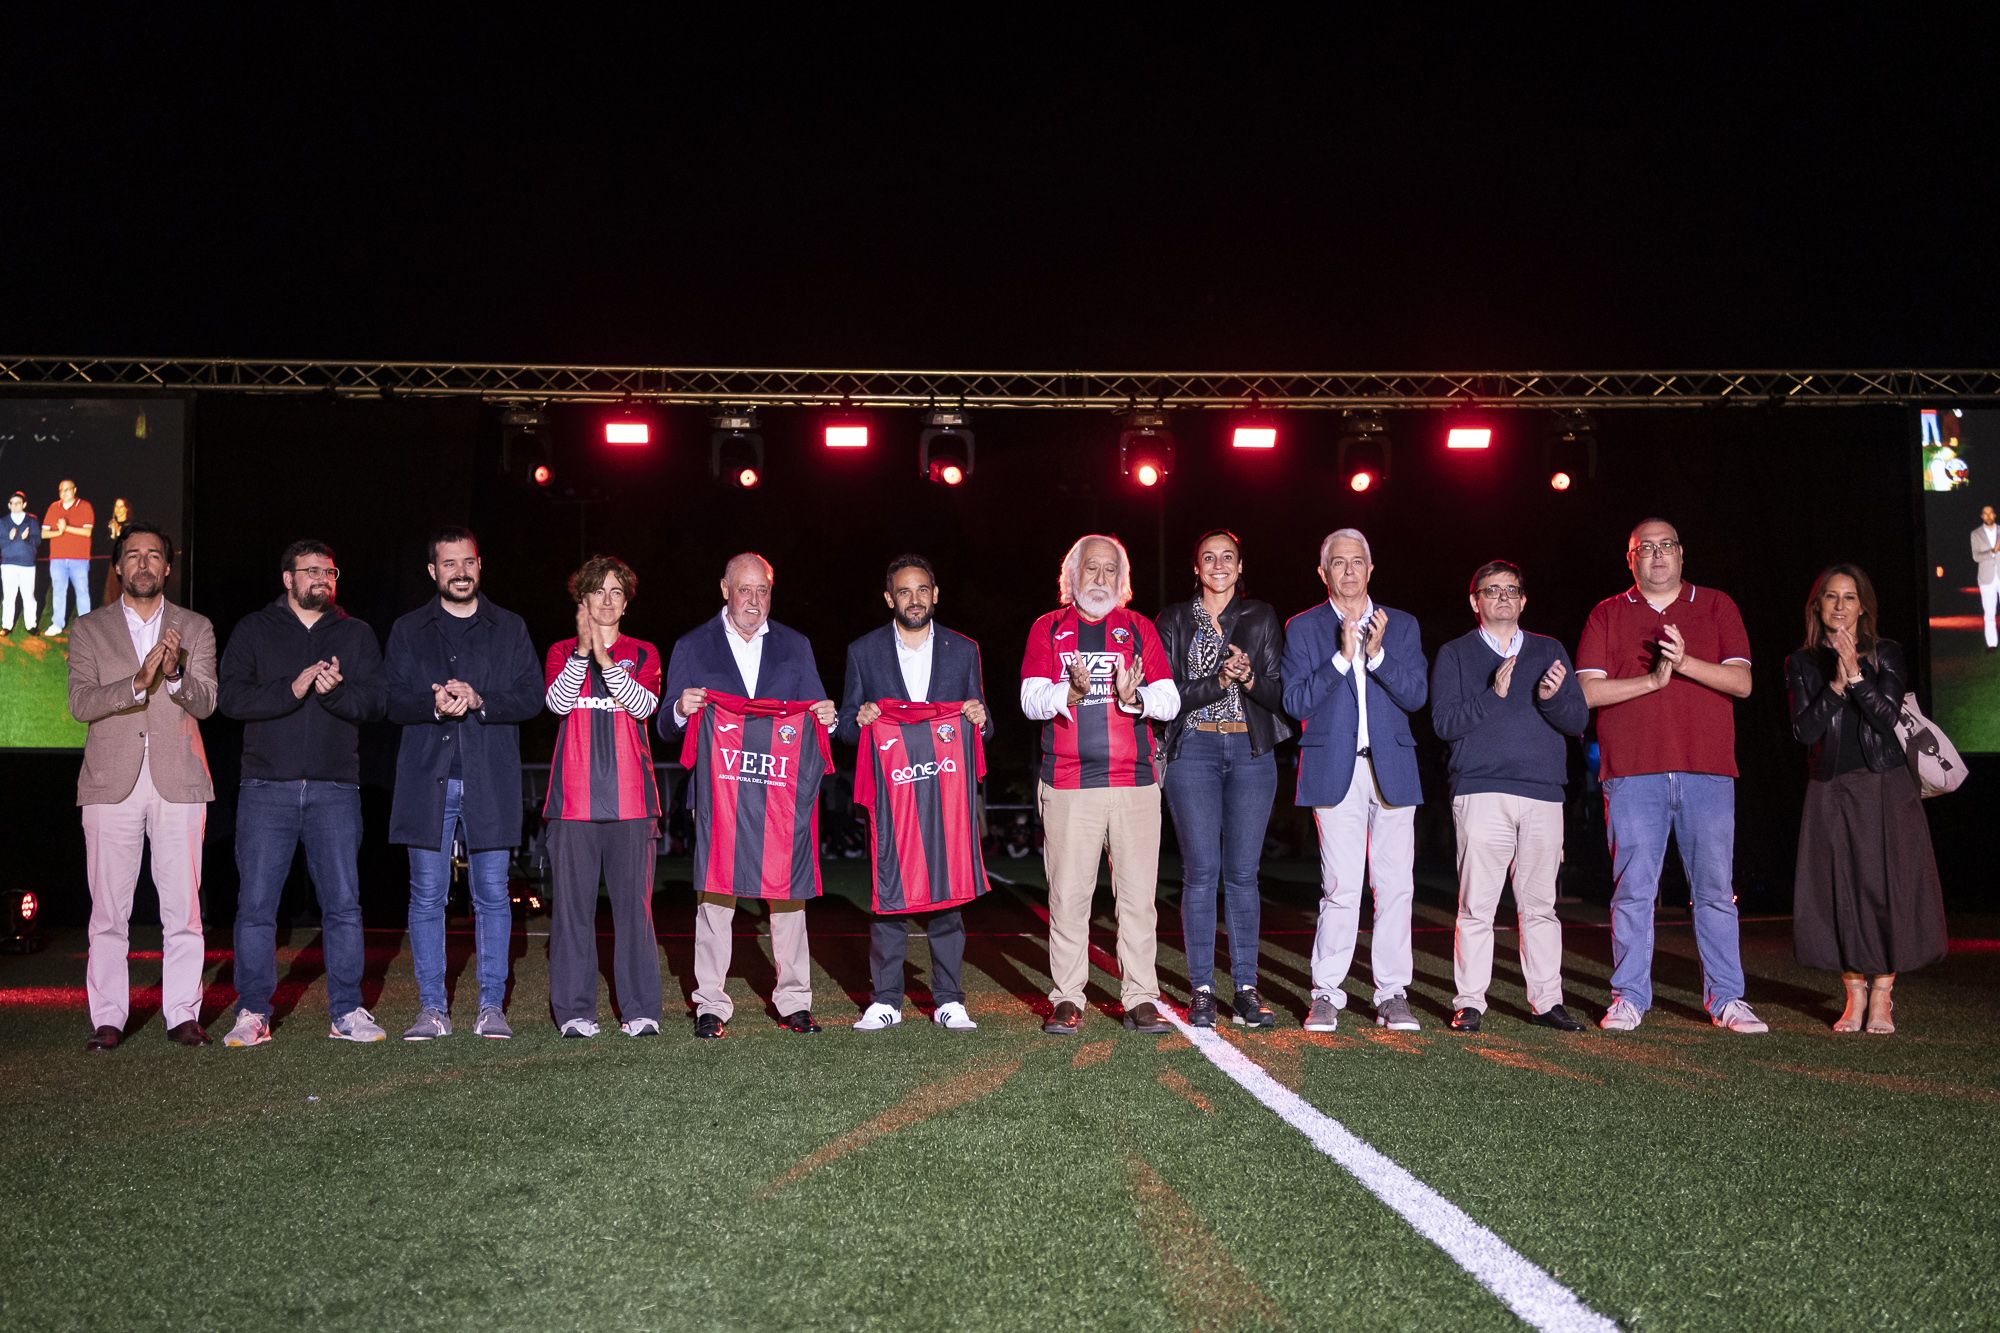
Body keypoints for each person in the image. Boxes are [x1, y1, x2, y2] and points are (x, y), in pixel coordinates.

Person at [1576, 518, 1767, 1033]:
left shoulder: (1717, 604)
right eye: (1646, 549)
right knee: (1634, 890)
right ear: (1631, 559)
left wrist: (1683, 664)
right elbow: (1589, 693)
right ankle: (1629, 997)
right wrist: (1653, 679)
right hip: (1634, 772)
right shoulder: (1608, 613)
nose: (1657, 556)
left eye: (1666, 547)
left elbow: (1743, 683)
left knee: (1713, 889)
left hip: (1707, 769)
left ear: (1682, 554)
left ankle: (1727, 998)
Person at [658, 552, 837, 1039]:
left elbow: (818, 712)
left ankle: (795, 1000)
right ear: (724, 589)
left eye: (763, 591)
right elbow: (665, 727)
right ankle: (711, 1003)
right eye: (745, 590)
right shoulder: (693, 646)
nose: (754, 601)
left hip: (779, 795)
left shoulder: (796, 645)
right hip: (722, 795)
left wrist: (827, 717)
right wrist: (679, 708)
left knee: (788, 895)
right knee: (716, 894)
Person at [217, 540, 388, 1047]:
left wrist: (335, 694)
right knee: (256, 905)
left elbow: (377, 703)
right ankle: (252, 1011)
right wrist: (289, 692)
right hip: (266, 787)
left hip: (335, 788)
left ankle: (347, 1011)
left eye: (328, 571)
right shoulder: (254, 629)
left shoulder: (355, 634)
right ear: (287, 578)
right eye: (309, 570)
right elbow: (229, 698)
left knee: (343, 905)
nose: (320, 578)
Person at [384, 526, 543, 1041]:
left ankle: (490, 1008)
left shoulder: (510, 627)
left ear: (480, 566)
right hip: (427, 779)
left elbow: (531, 697)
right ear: (433, 572)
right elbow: (389, 700)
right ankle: (433, 1009)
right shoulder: (409, 629)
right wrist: (432, 704)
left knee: (493, 895)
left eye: (467, 562)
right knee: (427, 895)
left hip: (488, 778)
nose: (460, 572)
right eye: (449, 564)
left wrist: (480, 701)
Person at [1020, 534, 1179, 1035]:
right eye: (1092, 569)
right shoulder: (1048, 628)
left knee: (1137, 898)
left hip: (1135, 783)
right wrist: (1068, 689)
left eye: (1111, 570)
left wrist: (1138, 698)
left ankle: (1140, 998)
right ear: (1072, 576)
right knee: (1069, 896)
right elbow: (1029, 699)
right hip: (1069, 784)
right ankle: (1068, 998)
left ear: (1123, 580)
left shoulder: (1139, 628)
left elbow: (1171, 701)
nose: (1101, 579)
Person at [66, 523, 217, 1050]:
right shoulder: (90, 629)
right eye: (134, 556)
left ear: (168, 567)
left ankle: (182, 1014)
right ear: (118, 566)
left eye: (155, 556)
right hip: (112, 782)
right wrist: (136, 683)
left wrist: (173, 676)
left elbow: (206, 703)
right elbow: (81, 703)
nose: (145, 565)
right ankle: (108, 1018)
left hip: (179, 780)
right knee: (109, 911)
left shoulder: (195, 627)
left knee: (184, 909)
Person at [1429, 560, 1588, 1033]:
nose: (1502, 597)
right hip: (1480, 792)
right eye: (1491, 590)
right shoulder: (1456, 654)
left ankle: (1547, 1002)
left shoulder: (1550, 648)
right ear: (1474, 601)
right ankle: (1470, 1002)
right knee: (1477, 905)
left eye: (1511, 590)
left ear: (1523, 600)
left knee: (1539, 905)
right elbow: (1443, 724)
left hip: (1542, 795)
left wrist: (1552, 697)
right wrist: (1492, 695)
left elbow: (1577, 721)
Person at [1786, 565, 1946, 1034]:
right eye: (1831, 597)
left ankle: (1882, 997)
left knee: (1886, 888)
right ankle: (1853, 996)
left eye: (1849, 597)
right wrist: (1835, 685)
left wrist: (1856, 673)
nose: (1840, 606)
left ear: (1863, 607)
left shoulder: (1888, 653)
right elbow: (1804, 730)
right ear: (1818, 606)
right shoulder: (1801, 663)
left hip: (1884, 784)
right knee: (1842, 890)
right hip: (1831, 786)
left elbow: (1885, 719)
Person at [837, 553, 992, 1033]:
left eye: (922, 589)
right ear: (889, 598)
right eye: (904, 591)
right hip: (894, 793)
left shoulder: (965, 649)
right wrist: (859, 721)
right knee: (889, 890)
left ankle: (948, 997)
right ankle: (886, 998)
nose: (915, 599)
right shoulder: (863, 651)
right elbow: (843, 727)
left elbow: (984, 726)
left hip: (945, 790)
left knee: (948, 891)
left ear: (936, 594)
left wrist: (980, 720)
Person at [1281, 528, 1428, 1033]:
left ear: (1371, 568)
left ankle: (1392, 994)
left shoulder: (1402, 626)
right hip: (1333, 770)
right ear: (1323, 573)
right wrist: (1344, 656)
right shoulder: (1302, 628)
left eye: (1357, 561)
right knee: (1341, 887)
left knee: (1395, 887)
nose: (1349, 570)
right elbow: (1296, 702)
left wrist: (1378, 653)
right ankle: (1326, 993)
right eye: (1338, 563)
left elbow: (1415, 696)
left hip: (1392, 769)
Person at [1153, 529, 1289, 1029]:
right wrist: (1219, 681)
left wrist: (1249, 678)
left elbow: (1280, 696)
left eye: (1227, 556)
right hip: (1194, 751)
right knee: (1201, 872)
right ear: (1195, 567)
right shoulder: (1171, 618)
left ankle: (1248, 989)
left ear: (1240, 565)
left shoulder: (1261, 616)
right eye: (1208, 556)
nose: (1217, 564)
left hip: (1251, 752)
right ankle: (1203, 990)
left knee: (1244, 875)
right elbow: (1163, 696)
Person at [542, 554, 666, 1039]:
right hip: (572, 804)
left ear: (626, 603)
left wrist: (604, 658)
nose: (608, 600)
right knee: (572, 911)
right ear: (582, 600)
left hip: (633, 803)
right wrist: (581, 653)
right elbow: (556, 702)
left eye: (617, 592)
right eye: (599, 591)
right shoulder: (559, 651)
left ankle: (640, 1010)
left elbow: (643, 705)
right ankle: (574, 1012)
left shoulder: (644, 652)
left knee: (634, 910)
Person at [41, 478, 93, 634]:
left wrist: (66, 528)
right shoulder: (53, 507)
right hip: (57, 558)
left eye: (67, 489)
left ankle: (86, 626)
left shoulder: (85, 506)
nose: (63, 493)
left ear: (74, 490)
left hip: (79, 559)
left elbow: (87, 532)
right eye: (61, 490)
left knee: (82, 591)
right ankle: (57, 624)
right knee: (58, 591)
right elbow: (44, 533)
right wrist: (59, 532)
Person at [2, 491, 38, 636]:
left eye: (19, 503)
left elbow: (38, 540)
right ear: (9, 505)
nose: (16, 506)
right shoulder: (3, 522)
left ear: (24, 504)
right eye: (13, 503)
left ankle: (31, 625)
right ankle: (6, 625)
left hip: (27, 565)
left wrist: (27, 539)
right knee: (9, 596)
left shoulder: (32, 521)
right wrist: (9, 538)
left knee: (28, 595)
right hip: (8, 565)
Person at [1973, 505, 1998, 653]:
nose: (1988, 516)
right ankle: (1992, 644)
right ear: (1982, 516)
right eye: (1985, 514)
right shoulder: (1976, 534)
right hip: (1986, 578)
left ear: (1994, 515)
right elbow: (1976, 556)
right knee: (1989, 612)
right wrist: (1993, 552)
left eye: (1991, 513)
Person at [101, 497, 131, 605]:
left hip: (128, 565)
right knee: (111, 594)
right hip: (114, 566)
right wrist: (113, 534)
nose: (118, 509)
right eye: (116, 506)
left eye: (121, 506)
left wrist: (118, 534)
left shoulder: (130, 526)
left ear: (126, 509)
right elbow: (106, 547)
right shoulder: (111, 525)